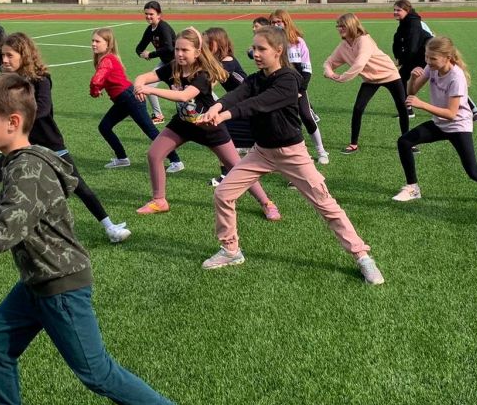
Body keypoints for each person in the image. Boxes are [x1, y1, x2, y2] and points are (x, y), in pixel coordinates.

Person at [0, 74, 206, 405]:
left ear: (13, 122)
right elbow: (19, 219)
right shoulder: (21, 162)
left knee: (96, 372)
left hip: (59, 283)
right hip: (37, 279)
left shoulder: (26, 170)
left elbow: (2, 237)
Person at [198, 26, 385, 285]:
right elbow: (237, 95)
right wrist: (217, 107)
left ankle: (362, 256)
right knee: (223, 193)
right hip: (261, 152)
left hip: (292, 154)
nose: (256, 53)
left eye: (262, 49)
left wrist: (225, 115)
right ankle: (231, 250)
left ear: (278, 50)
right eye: (254, 48)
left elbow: (258, 104)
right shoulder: (256, 79)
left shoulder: (289, 79)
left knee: (326, 205)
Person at [0, 32, 130, 243]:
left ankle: (110, 227)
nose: (4, 60)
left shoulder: (40, 79)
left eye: (9, 55)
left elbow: (43, 109)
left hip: (48, 142)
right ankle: (6, 227)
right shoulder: (6, 80)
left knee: (77, 185)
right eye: (3, 55)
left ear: (24, 55)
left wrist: (13, 120)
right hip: (19, 144)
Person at [133, 27, 278, 219]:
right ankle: (159, 201)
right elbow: (145, 77)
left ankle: (266, 202)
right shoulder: (173, 67)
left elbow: (184, 95)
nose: (179, 54)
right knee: (154, 154)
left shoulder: (203, 74)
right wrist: (139, 84)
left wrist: (150, 90)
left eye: (185, 50)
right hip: (182, 124)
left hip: (208, 126)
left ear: (197, 52)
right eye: (177, 49)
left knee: (236, 166)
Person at [393, 36, 477, 208]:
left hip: (458, 126)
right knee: (404, 142)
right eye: (426, 57)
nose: (428, 61)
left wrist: (422, 105)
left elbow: (451, 114)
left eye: (433, 58)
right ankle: (413, 189)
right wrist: (413, 79)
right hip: (439, 123)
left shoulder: (456, 77)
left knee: (474, 172)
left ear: (447, 58)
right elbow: (412, 92)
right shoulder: (431, 67)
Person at [90, 28, 183, 173]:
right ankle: (122, 158)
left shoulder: (107, 60)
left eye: (97, 41)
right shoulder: (106, 59)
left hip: (130, 98)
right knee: (104, 127)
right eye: (92, 41)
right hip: (123, 100)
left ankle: (176, 161)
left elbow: (96, 81)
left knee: (150, 130)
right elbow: (107, 80)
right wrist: (98, 88)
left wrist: (95, 91)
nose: (93, 44)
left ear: (108, 44)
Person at [323, 13, 409, 155]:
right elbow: (329, 62)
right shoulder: (344, 45)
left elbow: (359, 64)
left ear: (352, 25)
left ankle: (408, 143)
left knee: (402, 107)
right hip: (371, 79)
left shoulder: (364, 40)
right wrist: (329, 72)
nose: (339, 28)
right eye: (338, 26)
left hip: (390, 74)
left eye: (343, 26)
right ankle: (353, 144)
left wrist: (341, 78)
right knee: (358, 109)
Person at [392, 0, 477, 123]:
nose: (395, 12)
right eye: (394, 10)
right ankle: (408, 109)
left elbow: (412, 46)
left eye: (398, 10)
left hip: (432, 55)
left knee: (451, 81)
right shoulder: (406, 22)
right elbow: (401, 42)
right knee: (402, 76)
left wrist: (404, 61)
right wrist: (400, 57)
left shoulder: (413, 23)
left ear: (407, 11)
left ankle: (474, 110)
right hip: (423, 55)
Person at [269, 9, 328, 164]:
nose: (275, 25)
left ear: (286, 22)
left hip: (298, 88)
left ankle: (321, 151)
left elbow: (307, 69)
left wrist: (300, 90)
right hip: (278, 88)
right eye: (273, 22)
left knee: (306, 116)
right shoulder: (270, 44)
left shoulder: (298, 42)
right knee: (279, 120)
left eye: (278, 22)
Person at [203, 27, 254, 186]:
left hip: (249, 105)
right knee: (223, 135)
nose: (204, 46)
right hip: (238, 104)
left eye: (207, 43)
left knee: (271, 142)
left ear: (217, 43)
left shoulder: (228, 62)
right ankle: (227, 173)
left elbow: (212, 81)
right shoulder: (219, 61)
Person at [134, 1, 176, 122]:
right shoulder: (150, 30)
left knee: (181, 90)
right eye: (146, 14)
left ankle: (214, 106)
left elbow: (169, 48)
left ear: (159, 15)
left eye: (151, 14)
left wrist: (151, 54)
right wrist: (142, 54)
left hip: (176, 64)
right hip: (164, 63)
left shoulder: (163, 27)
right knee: (148, 86)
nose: (148, 16)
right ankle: (158, 115)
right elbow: (139, 48)